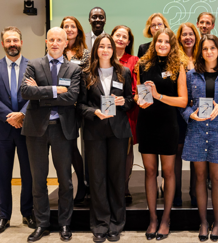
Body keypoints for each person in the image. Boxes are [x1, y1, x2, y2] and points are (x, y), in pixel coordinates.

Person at [21, 27, 81, 242]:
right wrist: (56, 91)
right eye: (52, 40)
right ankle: (42, 224)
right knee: (39, 180)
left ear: (66, 43)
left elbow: (72, 96)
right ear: (46, 42)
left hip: (62, 130)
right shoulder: (34, 64)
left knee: (65, 180)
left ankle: (65, 224)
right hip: (36, 129)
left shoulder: (74, 69)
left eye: (60, 40)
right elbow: (26, 91)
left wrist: (42, 92)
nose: (55, 43)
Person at [181, 34, 218, 242]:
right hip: (197, 131)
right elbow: (185, 104)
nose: (209, 52)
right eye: (205, 49)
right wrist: (191, 114)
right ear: (201, 52)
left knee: (216, 178)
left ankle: (217, 222)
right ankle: (203, 222)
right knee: (199, 178)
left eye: (212, 48)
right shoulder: (191, 75)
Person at [77, 33, 133, 242]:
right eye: (101, 46)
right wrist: (94, 112)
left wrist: (122, 102)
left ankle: (116, 223)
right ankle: (100, 223)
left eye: (109, 46)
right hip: (94, 132)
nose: (105, 50)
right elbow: (80, 105)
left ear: (113, 50)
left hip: (118, 131)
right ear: (96, 50)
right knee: (97, 178)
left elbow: (130, 101)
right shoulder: (86, 74)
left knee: (117, 177)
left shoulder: (123, 72)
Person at [135, 28, 187, 240]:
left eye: (167, 42)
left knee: (168, 173)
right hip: (146, 122)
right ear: (154, 43)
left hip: (168, 124)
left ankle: (166, 219)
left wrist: (158, 95)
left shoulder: (178, 66)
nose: (162, 45)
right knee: (149, 172)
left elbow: (182, 101)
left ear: (172, 45)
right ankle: (153, 219)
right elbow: (141, 94)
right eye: (159, 41)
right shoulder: (143, 65)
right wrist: (141, 100)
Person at [0, 26, 35, 234]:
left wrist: (22, 114)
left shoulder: (33, 67)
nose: (12, 44)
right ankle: (3, 215)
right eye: (8, 40)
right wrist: (11, 117)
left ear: (21, 42)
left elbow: (36, 95)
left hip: (26, 128)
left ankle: (27, 212)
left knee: (28, 174)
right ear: (3, 44)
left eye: (15, 40)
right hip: (3, 129)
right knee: (2, 174)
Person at [60, 16, 90, 204]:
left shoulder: (85, 54)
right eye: (66, 26)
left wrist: (73, 96)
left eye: (72, 26)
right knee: (69, 147)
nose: (69, 29)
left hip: (80, 105)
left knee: (82, 147)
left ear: (78, 30)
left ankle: (86, 183)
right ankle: (78, 184)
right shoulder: (55, 51)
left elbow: (85, 79)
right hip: (62, 106)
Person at [111, 25, 139, 205]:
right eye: (117, 35)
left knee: (126, 151)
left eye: (124, 37)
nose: (120, 39)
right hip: (105, 113)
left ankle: (124, 187)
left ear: (129, 41)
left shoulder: (135, 60)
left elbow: (137, 88)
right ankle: (111, 187)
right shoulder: (103, 57)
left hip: (127, 112)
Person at [174, 22, 200, 206]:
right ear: (179, 38)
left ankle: (194, 194)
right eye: (184, 35)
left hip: (198, 113)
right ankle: (175, 194)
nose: (188, 37)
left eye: (191, 34)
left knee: (196, 154)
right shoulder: (174, 59)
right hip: (178, 112)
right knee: (177, 152)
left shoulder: (203, 57)